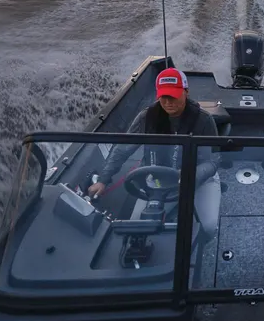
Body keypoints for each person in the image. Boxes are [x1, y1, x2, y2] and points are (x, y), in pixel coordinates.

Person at [87, 67, 221, 237]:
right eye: (164, 96)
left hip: (198, 179)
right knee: (139, 228)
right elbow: (122, 149)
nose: (168, 102)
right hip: (157, 178)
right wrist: (103, 180)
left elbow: (214, 160)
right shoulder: (146, 117)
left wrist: (191, 176)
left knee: (208, 226)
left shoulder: (204, 120)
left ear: (186, 92)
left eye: (173, 95)